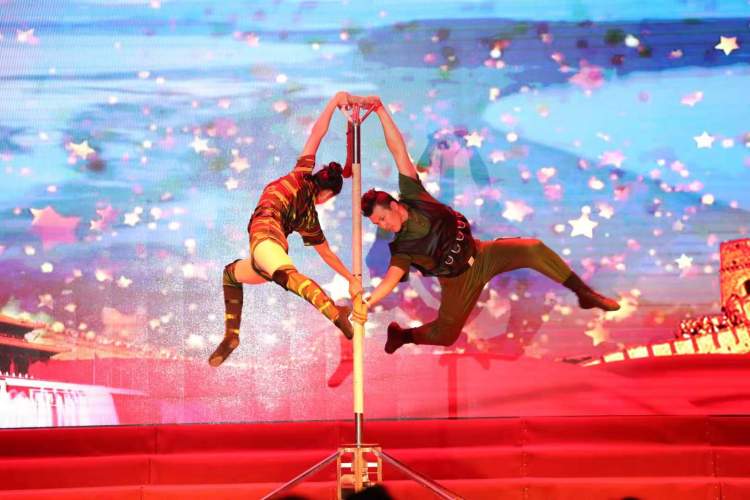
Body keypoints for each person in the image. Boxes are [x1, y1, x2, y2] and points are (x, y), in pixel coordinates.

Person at [351, 95, 620, 354]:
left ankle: (584, 294)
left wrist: (380, 109)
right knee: (446, 335)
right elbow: (391, 279)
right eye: (377, 223)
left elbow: (398, 150)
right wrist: (368, 301)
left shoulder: (413, 193)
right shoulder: (403, 247)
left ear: (394, 206)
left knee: (533, 248)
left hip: (482, 254)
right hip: (459, 280)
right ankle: (403, 336)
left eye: (382, 218)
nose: (383, 225)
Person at [209, 91, 362, 367]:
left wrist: (332, 102)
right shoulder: (308, 212)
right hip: (266, 242)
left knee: (282, 274)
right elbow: (327, 254)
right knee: (232, 274)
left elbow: (317, 132)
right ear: (328, 194)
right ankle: (232, 336)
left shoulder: (300, 175)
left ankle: (334, 312)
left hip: (265, 243)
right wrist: (350, 277)